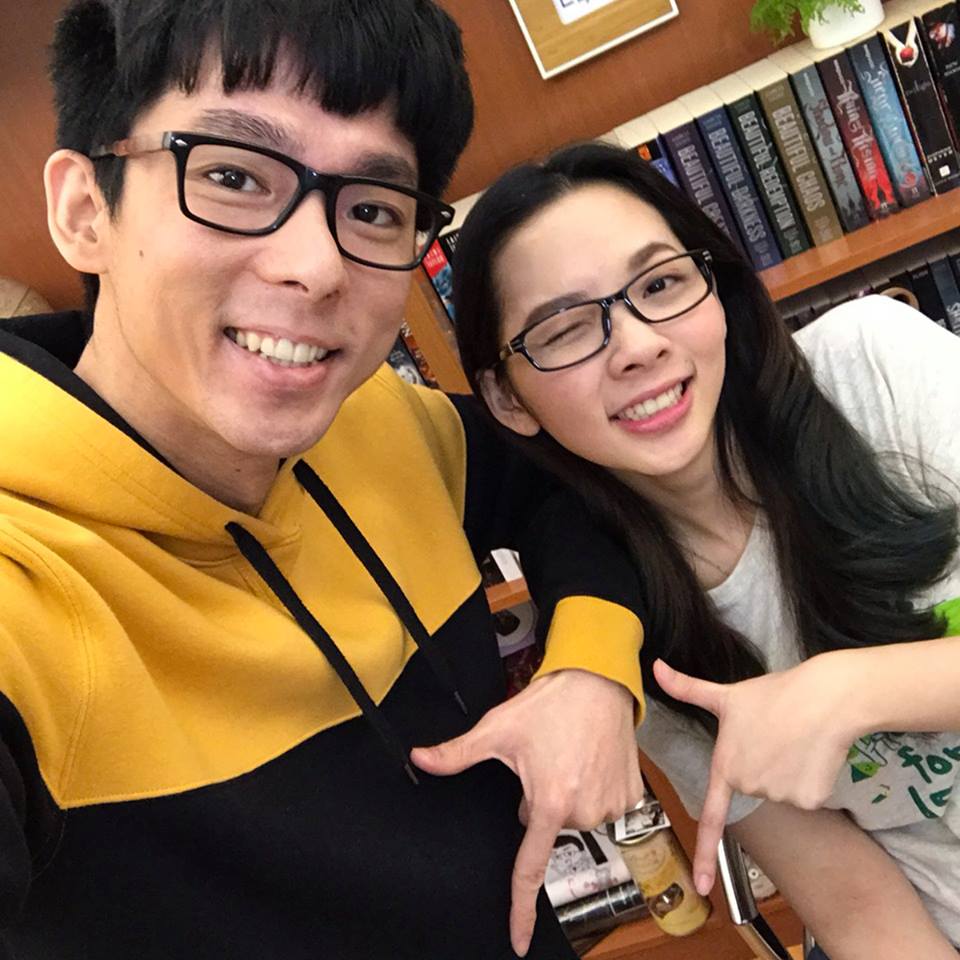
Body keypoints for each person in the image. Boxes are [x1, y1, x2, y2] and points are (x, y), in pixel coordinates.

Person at [0, 5, 652, 958]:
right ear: (84, 210)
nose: (315, 267)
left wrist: (592, 667)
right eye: (231, 176)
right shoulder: (23, 586)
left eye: (374, 208)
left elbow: (564, 487)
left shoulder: (384, 421)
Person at [451, 141, 960, 958]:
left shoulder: (873, 367)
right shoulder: (632, 633)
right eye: (566, 328)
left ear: (714, 285)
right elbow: (859, 910)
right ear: (508, 399)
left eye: (660, 285)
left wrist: (848, 692)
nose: (638, 345)